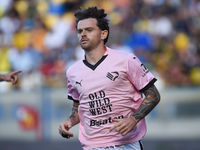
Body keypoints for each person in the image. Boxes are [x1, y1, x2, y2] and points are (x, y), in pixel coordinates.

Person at [59, 6, 160, 150]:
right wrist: (69, 122)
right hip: (92, 145)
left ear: (103, 34)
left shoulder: (126, 60)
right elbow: (78, 106)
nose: (83, 34)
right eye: (80, 31)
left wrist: (133, 119)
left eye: (89, 30)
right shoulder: (72, 72)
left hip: (126, 144)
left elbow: (153, 95)